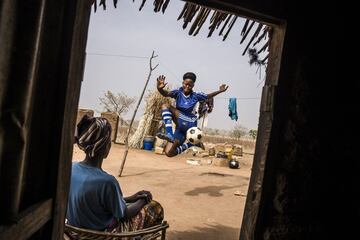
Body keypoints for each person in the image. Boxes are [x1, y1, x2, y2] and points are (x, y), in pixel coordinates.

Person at [66, 115, 164, 233]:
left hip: (76, 232)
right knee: (155, 207)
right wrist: (143, 201)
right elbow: (124, 214)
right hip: (101, 234)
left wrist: (131, 198)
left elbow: (95, 202)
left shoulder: (70, 169)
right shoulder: (107, 182)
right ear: (105, 147)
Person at [156, 72, 228, 157]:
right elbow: (166, 93)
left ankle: (169, 134)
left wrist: (220, 91)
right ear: (183, 83)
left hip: (190, 122)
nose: (187, 86)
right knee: (169, 153)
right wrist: (160, 89)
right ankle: (190, 144)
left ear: (193, 85)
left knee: (166, 106)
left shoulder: (195, 96)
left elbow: (208, 96)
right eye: (186, 84)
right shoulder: (178, 93)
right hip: (180, 128)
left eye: (190, 85)